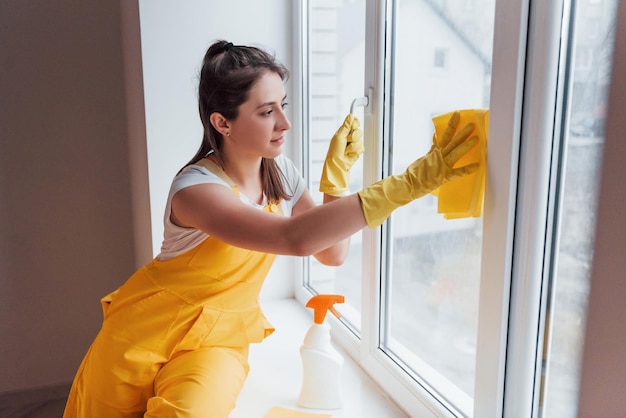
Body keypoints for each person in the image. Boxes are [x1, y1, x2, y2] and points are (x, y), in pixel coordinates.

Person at [63, 40, 479, 418]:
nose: (285, 123)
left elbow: (331, 253)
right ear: (222, 123)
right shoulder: (195, 190)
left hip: (217, 342)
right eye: (266, 112)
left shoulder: (280, 173)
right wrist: (409, 184)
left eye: (283, 105)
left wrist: (334, 182)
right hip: (141, 335)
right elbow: (293, 239)